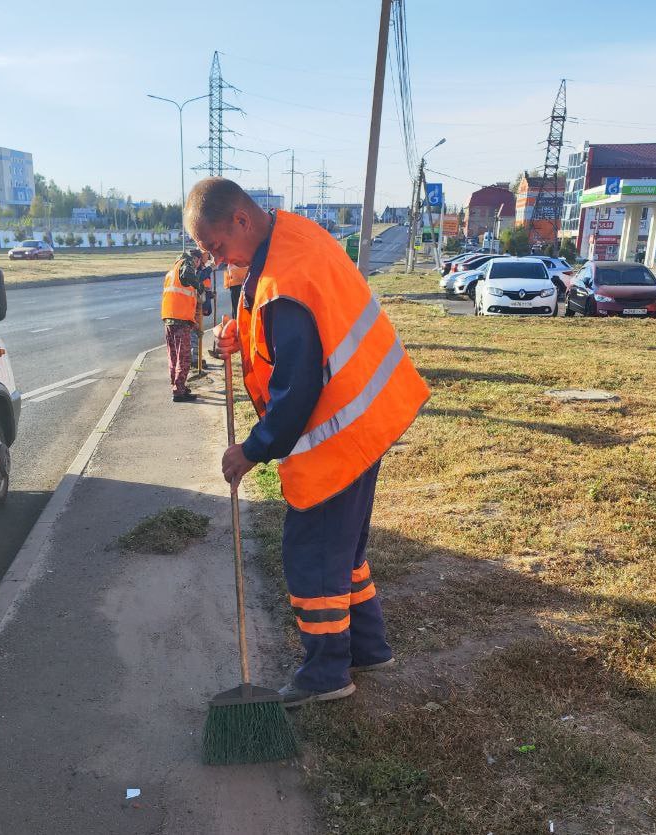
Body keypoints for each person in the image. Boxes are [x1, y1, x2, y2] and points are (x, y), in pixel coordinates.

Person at [184, 177, 430, 707]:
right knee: (344, 552)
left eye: (217, 247)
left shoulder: (284, 282)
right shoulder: (292, 234)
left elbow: (296, 389)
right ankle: (368, 647)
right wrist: (238, 336)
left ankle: (326, 674)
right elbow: (280, 327)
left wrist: (250, 451)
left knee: (312, 556)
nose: (215, 259)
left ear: (241, 221)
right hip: (369, 417)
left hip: (338, 436)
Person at [160, 251, 203, 403]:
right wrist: (200, 286)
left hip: (169, 318)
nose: (198, 266)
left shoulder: (172, 270)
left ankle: (177, 386)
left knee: (173, 356)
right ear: (195, 259)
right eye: (199, 262)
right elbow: (188, 275)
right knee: (184, 357)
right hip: (180, 321)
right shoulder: (186, 264)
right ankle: (179, 391)